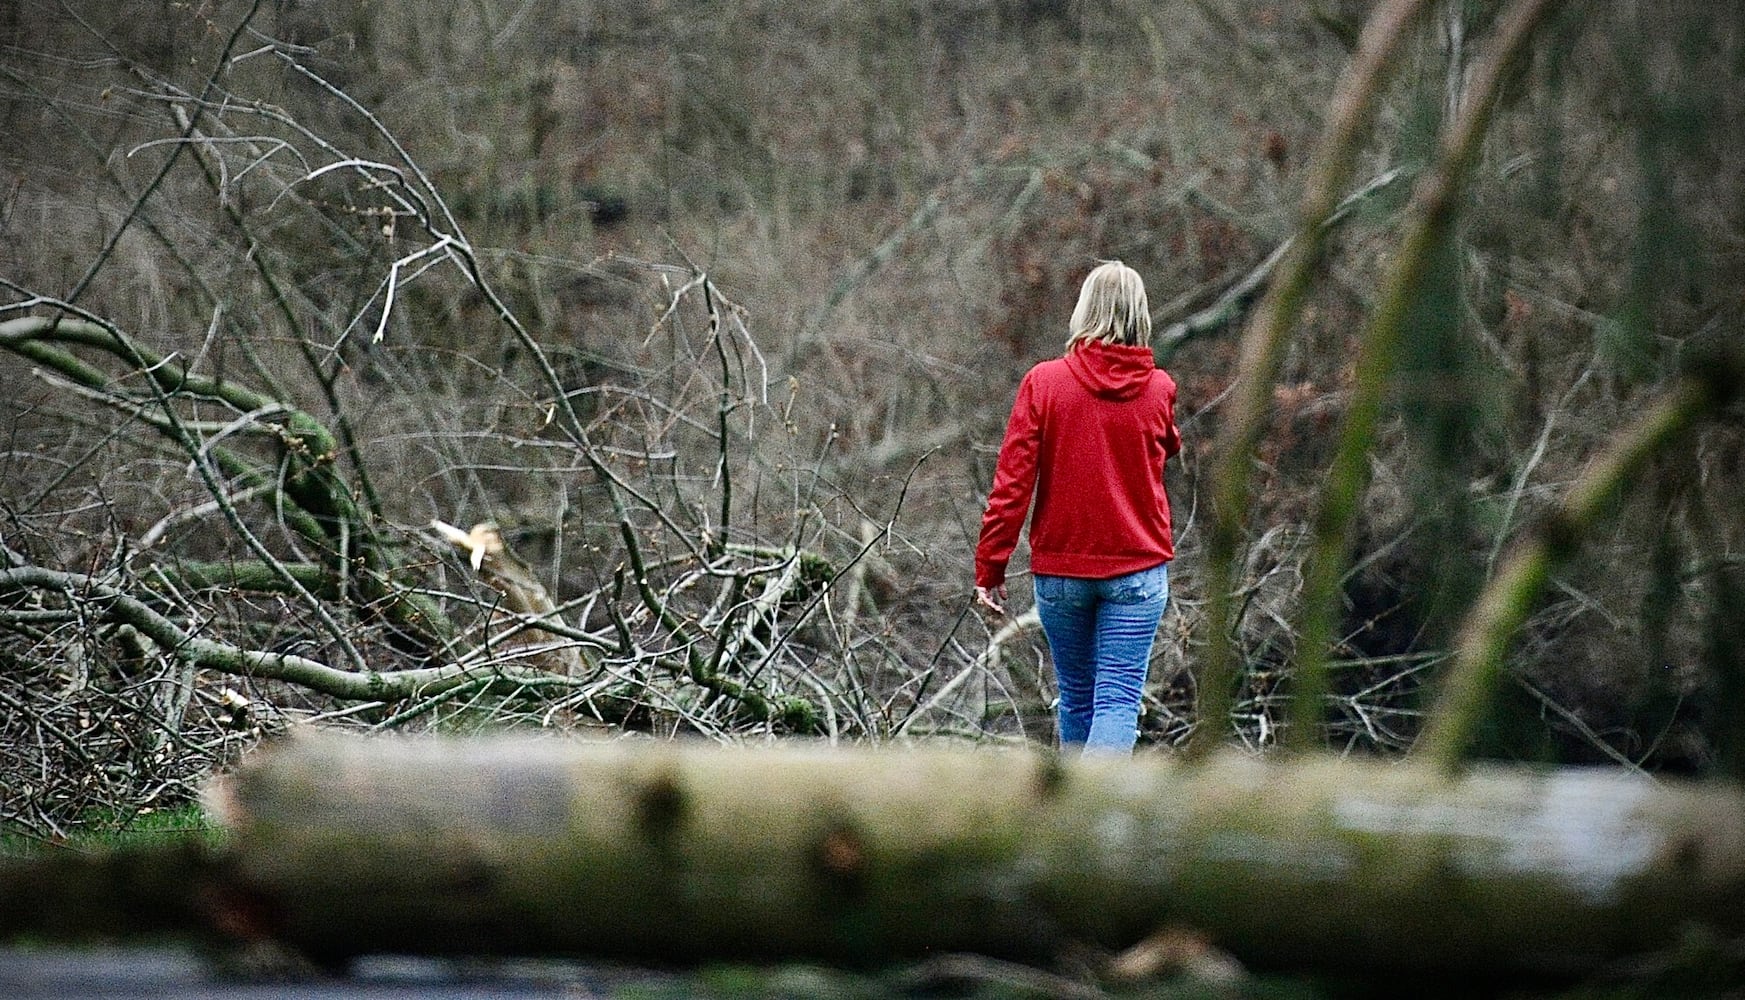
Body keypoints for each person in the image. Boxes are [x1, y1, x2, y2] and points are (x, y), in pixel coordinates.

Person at [974, 260, 1181, 754]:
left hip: (1062, 570)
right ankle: (1095, 816)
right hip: (1137, 569)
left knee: (1078, 700)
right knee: (1117, 701)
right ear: (1140, 316)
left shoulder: (1044, 384)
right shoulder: (1159, 389)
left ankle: (1071, 818)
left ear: (1083, 312)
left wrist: (991, 567)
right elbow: (1169, 445)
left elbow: (1012, 485)